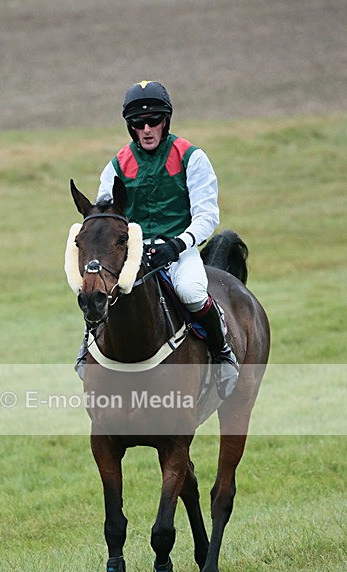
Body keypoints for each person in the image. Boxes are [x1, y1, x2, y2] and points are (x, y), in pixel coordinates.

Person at [75, 80, 238, 399]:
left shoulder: (191, 157)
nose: (147, 128)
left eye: (154, 120)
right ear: (130, 127)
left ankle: (222, 355)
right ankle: (87, 347)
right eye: (138, 123)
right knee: (96, 289)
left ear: (166, 120)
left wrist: (179, 243)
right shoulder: (117, 164)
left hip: (180, 249)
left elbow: (208, 215)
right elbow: (105, 212)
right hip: (131, 253)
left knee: (190, 290)